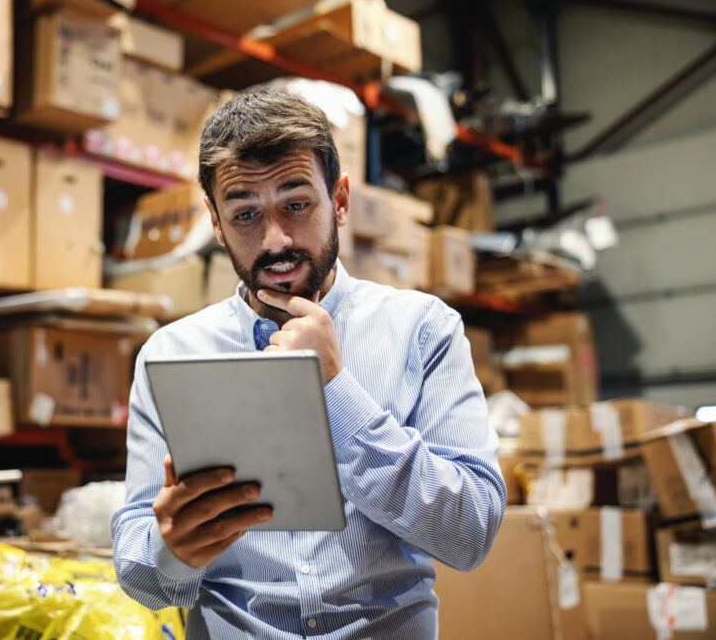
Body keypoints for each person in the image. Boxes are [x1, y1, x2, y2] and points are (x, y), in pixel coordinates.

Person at [111, 90, 506, 639]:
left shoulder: (423, 330)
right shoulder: (171, 354)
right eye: (245, 215)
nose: (275, 240)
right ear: (216, 224)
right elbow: (140, 577)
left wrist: (337, 390)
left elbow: (471, 533)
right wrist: (171, 551)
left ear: (339, 201)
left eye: (296, 205)